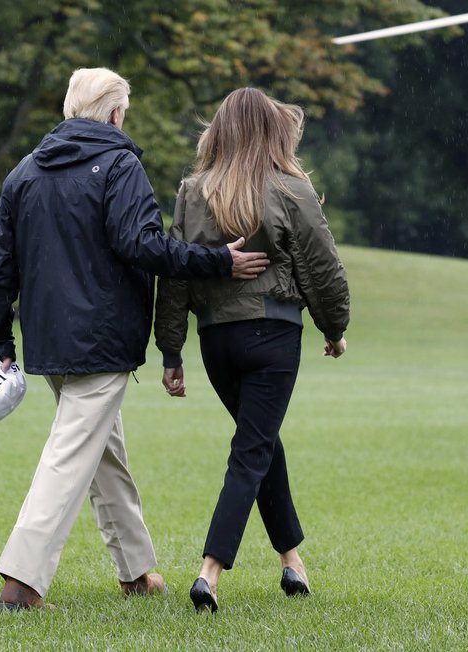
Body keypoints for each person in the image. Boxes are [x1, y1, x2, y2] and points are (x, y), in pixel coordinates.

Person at [0, 68, 270, 610]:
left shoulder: (23, 173)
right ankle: (21, 581)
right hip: (103, 341)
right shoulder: (119, 165)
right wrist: (218, 261)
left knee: (103, 454)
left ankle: (136, 572)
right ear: (114, 114)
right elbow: (146, 245)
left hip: (49, 344)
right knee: (70, 456)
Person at [154, 87, 350, 613]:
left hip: (217, 340)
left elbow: (174, 272)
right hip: (273, 335)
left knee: (260, 442)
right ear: (272, 132)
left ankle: (292, 563)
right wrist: (335, 328)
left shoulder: (193, 190)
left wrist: (171, 351)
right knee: (252, 450)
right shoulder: (290, 187)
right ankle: (209, 572)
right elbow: (320, 264)